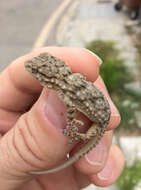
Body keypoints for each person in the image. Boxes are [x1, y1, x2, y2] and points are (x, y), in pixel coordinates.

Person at [0, 47, 124, 190]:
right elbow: (81, 82)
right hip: (102, 110)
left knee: (86, 138)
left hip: (100, 120)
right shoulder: (72, 79)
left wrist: (71, 125)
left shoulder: (64, 91)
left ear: (48, 78)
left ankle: (80, 135)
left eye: (35, 72)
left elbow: (70, 109)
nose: (31, 70)